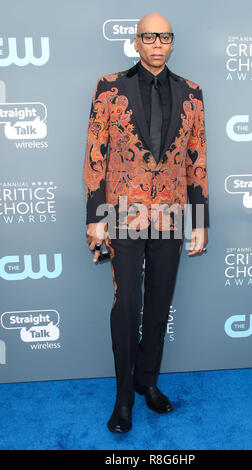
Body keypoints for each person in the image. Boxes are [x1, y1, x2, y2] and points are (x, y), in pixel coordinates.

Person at [83, 12, 209, 433]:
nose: (157, 43)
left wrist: (200, 219)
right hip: (121, 215)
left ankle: (148, 382)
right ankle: (123, 400)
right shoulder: (109, 87)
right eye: (149, 36)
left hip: (171, 215)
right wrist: (94, 216)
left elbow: (198, 161)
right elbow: (94, 154)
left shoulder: (192, 93)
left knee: (158, 306)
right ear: (136, 43)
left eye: (165, 36)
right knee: (128, 307)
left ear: (172, 43)